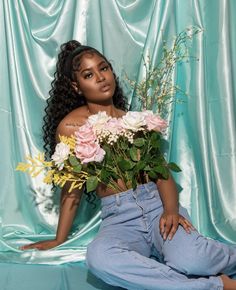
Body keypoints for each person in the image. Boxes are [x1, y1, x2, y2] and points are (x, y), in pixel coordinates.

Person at [21, 40, 236, 290]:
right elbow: (73, 187)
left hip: (158, 208)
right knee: (99, 258)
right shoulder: (71, 127)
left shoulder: (136, 121)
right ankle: (218, 286)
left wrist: (171, 211)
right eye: (89, 75)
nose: (101, 78)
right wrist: (59, 239)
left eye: (104, 69)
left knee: (193, 259)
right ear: (76, 86)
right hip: (119, 220)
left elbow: (162, 173)